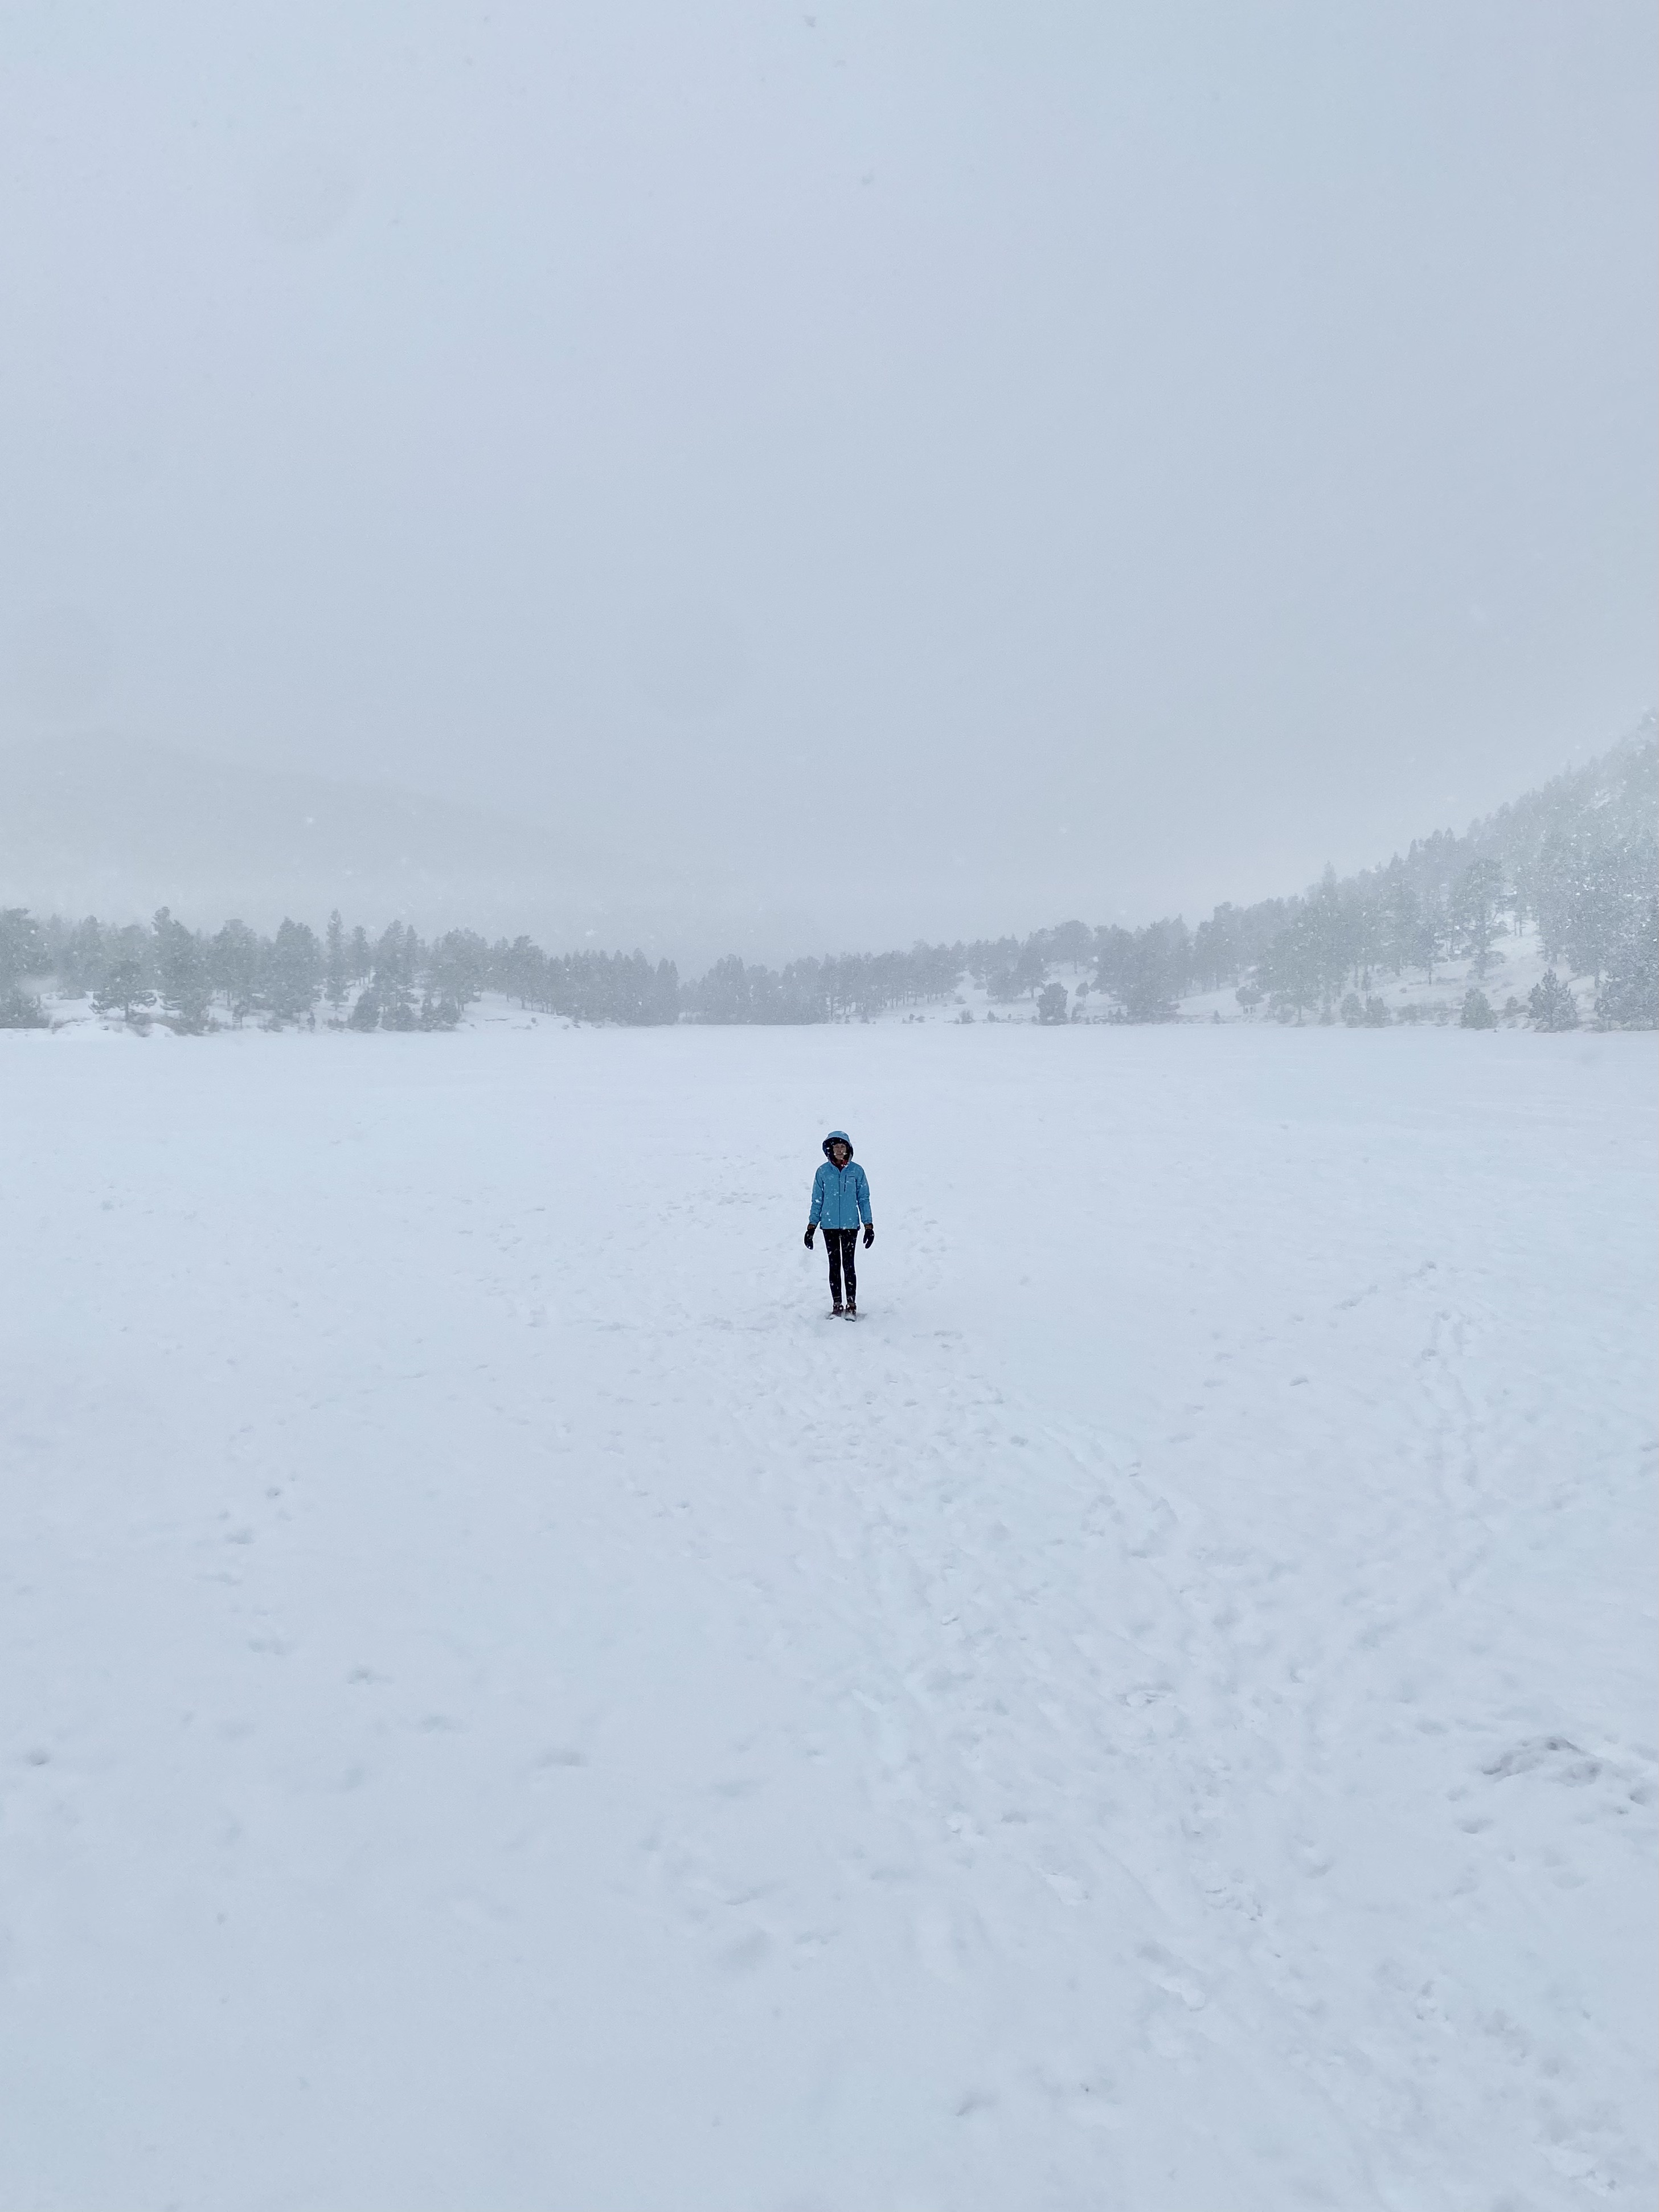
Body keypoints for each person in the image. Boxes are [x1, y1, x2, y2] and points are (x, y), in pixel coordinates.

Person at [804, 1129, 873, 1317]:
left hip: (851, 1226)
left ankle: (851, 1304)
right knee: (834, 1265)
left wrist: (869, 1225)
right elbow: (817, 1200)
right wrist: (812, 1227)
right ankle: (837, 1304)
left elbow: (864, 1199)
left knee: (849, 1265)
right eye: (837, 1147)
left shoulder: (857, 1171)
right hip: (830, 1226)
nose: (840, 1150)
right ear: (831, 1149)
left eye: (843, 1147)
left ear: (848, 1148)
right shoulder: (823, 1172)